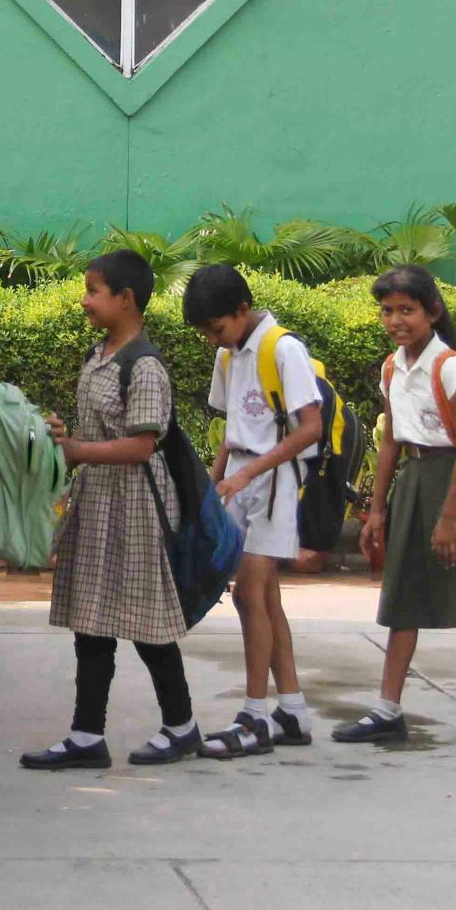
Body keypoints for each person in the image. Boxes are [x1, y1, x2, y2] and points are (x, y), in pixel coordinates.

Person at [23, 250, 201, 770]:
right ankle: (86, 736)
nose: (85, 301)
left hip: (135, 506)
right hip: (100, 502)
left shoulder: (144, 366)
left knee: (146, 624)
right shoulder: (99, 354)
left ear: (126, 298)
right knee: (93, 621)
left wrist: (78, 450)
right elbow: (101, 434)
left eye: (93, 291)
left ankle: (181, 726)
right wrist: (66, 439)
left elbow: (142, 446)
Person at [334, 265, 456, 746]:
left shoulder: (449, 366)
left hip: (454, 482)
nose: (396, 320)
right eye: (387, 311)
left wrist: (449, 518)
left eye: (407, 310)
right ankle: (387, 709)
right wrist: (376, 509)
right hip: (413, 481)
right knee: (402, 594)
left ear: (432, 311)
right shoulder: (392, 367)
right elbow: (391, 439)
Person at [183, 264, 326, 758]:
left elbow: (311, 428)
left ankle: (254, 716)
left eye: (216, 328)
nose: (212, 339)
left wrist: (249, 474)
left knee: (248, 595)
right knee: (265, 600)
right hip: (241, 480)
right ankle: (292, 711)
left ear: (242, 309)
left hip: (274, 483)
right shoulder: (228, 354)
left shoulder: (282, 348)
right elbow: (232, 430)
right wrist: (213, 484)